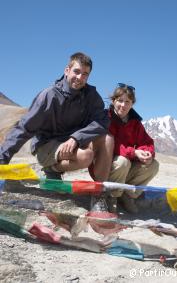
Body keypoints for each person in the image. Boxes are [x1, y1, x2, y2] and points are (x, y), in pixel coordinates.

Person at [0, 53, 114, 197]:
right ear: (67, 70)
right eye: (76, 72)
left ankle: (99, 196)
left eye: (85, 74)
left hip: (72, 142)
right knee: (86, 156)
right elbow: (24, 128)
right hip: (46, 145)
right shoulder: (49, 96)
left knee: (108, 138)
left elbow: (102, 121)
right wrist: (2, 158)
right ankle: (51, 169)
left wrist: (76, 138)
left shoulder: (91, 96)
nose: (80, 77)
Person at [107, 83, 159, 213]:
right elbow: (111, 145)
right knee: (122, 161)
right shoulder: (105, 117)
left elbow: (147, 141)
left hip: (125, 167)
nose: (123, 105)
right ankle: (111, 196)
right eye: (120, 100)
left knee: (153, 165)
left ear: (132, 104)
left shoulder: (135, 122)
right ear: (113, 101)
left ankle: (127, 195)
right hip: (106, 167)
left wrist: (147, 153)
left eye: (127, 101)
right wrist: (134, 152)